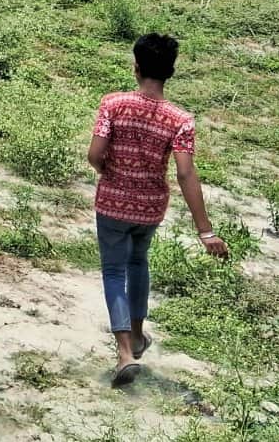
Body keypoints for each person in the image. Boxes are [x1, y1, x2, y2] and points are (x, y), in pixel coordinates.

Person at [89, 34, 228, 387]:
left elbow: (95, 154)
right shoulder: (180, 119)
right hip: (151, 207)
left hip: (112, 202)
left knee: (113, 270)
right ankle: (137, 335)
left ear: (136, 67)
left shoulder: (113, 104)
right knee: (138, 263)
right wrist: (205, 231)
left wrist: (112, 175)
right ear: (171, 71)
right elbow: (185, 172)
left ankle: (124, 353)